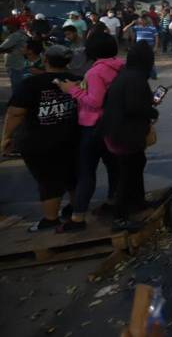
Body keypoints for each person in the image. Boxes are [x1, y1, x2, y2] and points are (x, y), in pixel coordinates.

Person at [1, 46, 80, 231]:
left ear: (45, 60)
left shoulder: (31, 84)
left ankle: (50, 219)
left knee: (48, 180)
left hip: (38, 141)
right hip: (72, 137)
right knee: (73, 175)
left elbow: (15, 113)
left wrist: (6, 137)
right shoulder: (77, 80)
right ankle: (76, 208)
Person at [56, 32, 124, 232]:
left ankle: (78, 218)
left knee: (86, 172)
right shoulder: (119, 66)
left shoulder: (95, 72)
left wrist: (72, 90)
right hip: (113, 125)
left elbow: (95, 102)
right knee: (113, 167)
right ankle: (112, 204)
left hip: (93, 126)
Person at [100, 40, 159, 230]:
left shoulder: (126, 75)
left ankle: (138, 202)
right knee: (126, 174)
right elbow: (134, 106)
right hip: (124, 134)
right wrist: (152, 112)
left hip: (120, 132)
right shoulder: (135, 78)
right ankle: (120, 217)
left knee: (137, 165)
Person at [0, 20, 29, 94]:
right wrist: (7, 50)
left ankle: (17, 103)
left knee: (16, 87)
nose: (6, 27)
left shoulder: (15, 35)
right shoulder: (21, 33)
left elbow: (2, 47)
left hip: (15, 65)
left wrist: (6, 50)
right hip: (19, 63)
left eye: (7, 25)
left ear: (14, 26)